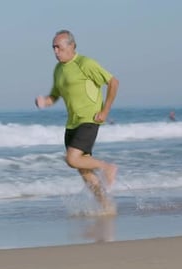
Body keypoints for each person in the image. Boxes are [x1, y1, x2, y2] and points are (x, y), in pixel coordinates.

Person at [35, 29, 119, 214]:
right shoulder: (58, 70)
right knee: (84, 171)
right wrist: (44, 101)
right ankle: (106, 207)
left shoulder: (85, 63)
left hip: (89, 119)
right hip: (72, 123)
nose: (56, 51)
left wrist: (105, 111)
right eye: (53, 48)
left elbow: (113, 82)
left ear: (71, 46)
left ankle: (108, 167)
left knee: (72, 159)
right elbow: (54, 96)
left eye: (59, 47)